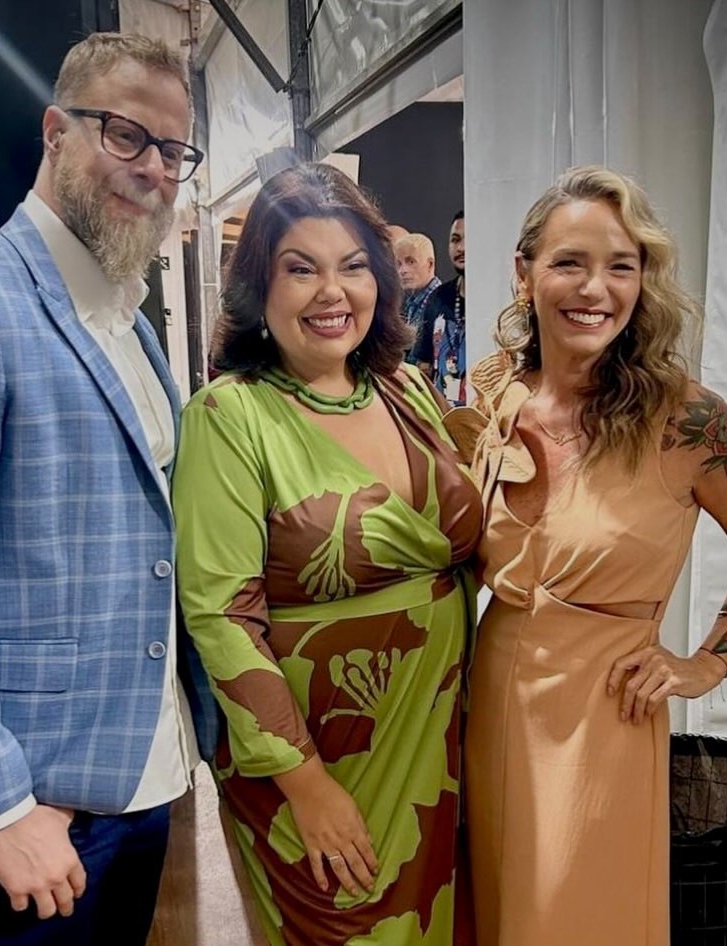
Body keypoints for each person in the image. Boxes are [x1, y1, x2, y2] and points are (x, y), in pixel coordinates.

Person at [0, 32, 216, 946]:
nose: (154, 168)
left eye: (172, 150)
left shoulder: (126, 318)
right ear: (56, 132)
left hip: (140, 772)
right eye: (127, 135)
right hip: (36, 807)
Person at [173, 163, 482, 946]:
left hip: (441, 741)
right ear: (260, 286)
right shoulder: (229, 416)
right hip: (319, 758)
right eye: (301, 269)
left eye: (352, 266)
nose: (332, 292)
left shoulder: (408, 390)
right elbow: (221, 617)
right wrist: (305, 783)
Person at [449, 165, 727, 946]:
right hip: (490, 700)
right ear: (525, 273)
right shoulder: (495, 393)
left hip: (607, 716)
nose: (595, 289)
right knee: (497, 915)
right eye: (569, 262)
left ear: (643, 281)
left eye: (621, 266)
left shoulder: (688, 421)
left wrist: (705, 664)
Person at [414, 211, 466, 404]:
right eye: (455, 240)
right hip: (441, 413)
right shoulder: (438, 297)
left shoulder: (498, 299)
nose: (461, 248)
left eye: (469, 239)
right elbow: (423, 364)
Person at [394, 231, 441, 366]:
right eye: (399, 264)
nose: (402, 270)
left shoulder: (441, 303)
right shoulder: (412, 302)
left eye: (410, 262)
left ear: (430, 264)